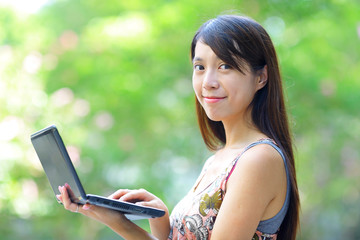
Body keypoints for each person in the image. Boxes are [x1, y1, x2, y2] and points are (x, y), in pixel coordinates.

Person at [58, 14, 300, 240]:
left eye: (225, 66)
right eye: (200, 67)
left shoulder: (259, 159)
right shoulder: (219, 159)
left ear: (261, 77)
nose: (208, 82)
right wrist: (141, 218)